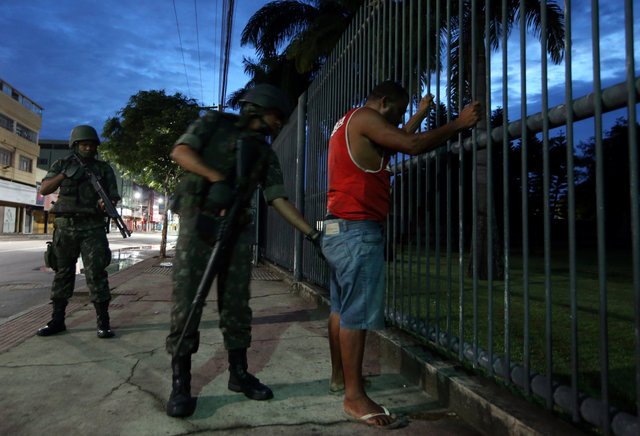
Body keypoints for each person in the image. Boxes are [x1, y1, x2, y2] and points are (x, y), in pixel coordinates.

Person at [322, 80, 482, 429]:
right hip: (358, 230)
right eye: (396, 112)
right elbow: (410, 145)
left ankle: (341, 379)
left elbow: (391, 145)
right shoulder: (365, 117)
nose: (397, 120)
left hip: (337, 228)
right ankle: (354, 396)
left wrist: (419, 115)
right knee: (357, 315)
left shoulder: (349, 122)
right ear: (383, 102)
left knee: (340, 308)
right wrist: (458, 123)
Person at [165, 84, 321, 418]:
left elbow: (278, 198)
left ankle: (238, 374)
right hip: (198, 226)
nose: (280, 123)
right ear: (259, 108)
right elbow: (180, 151)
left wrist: (312, 235)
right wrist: (216, 177)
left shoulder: (264, 154)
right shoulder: (213, 124)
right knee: (187, 304)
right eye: (277, 115)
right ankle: (181, 383)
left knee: (236, 305)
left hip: (235, 233)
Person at [37, 125, 120, 339]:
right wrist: (64, 174)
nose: (89, 148)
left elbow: (112, 196)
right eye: (84, 144)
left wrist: (106, 203)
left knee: (96, 274)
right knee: (63, 273)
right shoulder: (61, 164)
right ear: (75, 145)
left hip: (92, 227)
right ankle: (57, 320)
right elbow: (45, 189)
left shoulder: (103, 169)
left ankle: (103, 322)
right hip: (65, 227)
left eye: (92, 145)